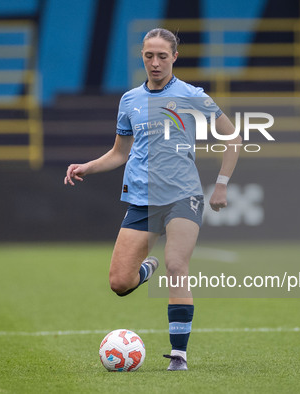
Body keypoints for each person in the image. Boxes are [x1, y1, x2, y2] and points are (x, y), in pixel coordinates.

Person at [64, 28, 241, 371]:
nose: (155, 63)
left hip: (182, 196)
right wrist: (88, 166)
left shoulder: (191, 95)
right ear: (142, 56)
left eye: (163, 56)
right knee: (119, 283)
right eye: (149, 56)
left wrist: (220, 185)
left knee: (177, 266)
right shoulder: (130, 100)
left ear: (175, 57)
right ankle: (146, 269)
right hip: (143, 199)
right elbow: (119, 153)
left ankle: (179, 355)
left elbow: (232, 137)